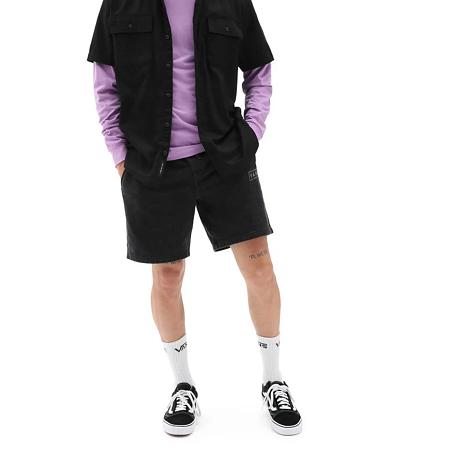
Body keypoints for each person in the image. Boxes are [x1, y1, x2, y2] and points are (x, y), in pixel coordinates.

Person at [87, 0, 302, 436]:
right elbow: (105, 80)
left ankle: (273, 379)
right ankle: (182, 385)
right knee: (167, 276)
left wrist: (252, 132)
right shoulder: (120, 2)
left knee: (260, 266)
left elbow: (258, 68)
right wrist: (119, 155)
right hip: (152, 165)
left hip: (225, 159)